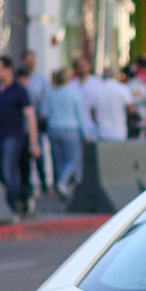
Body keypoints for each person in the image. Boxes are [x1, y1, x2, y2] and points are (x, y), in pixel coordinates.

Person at [0, 56, 38, 218]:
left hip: (14, 135)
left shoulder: (19, 90)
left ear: (8, 70)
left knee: (9, 168)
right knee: (1, 172)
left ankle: (13, 204)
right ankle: (21, 198)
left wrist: (34, 142)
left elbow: (30, 116)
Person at [40, 66, 92, 200]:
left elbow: (45, 113)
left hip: (54, 128)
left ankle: (62, 184)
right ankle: (63, 181)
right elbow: (81, 115)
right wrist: (85, 133)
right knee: (74, 159)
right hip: (70, 129)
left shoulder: (52, 94)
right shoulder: (75, 94)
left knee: (58, 160)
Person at [81, 57, 134, 142]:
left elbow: (92, 111)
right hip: (119, 130)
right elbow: (131, 109)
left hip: (102, 130)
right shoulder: (122, 89)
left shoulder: (96, 90)